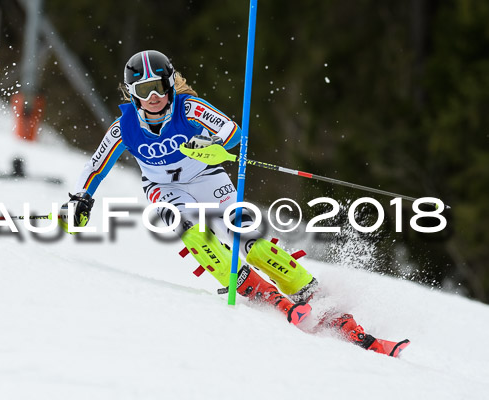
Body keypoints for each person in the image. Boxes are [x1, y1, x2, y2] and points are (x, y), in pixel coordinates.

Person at [58, 50, 408, 357]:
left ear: (169, 84)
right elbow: (95, 166)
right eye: (143, 90)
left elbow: (232, 133)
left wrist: (211, 144)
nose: (153, 97)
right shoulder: (124, 129)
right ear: (131, 94)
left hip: (209, 178)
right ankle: (254, 288)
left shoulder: (189, 107)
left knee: (250, 240)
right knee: (189, 231)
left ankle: (312, 294)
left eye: (159, 87)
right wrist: (81, 200)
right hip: (166, 190)